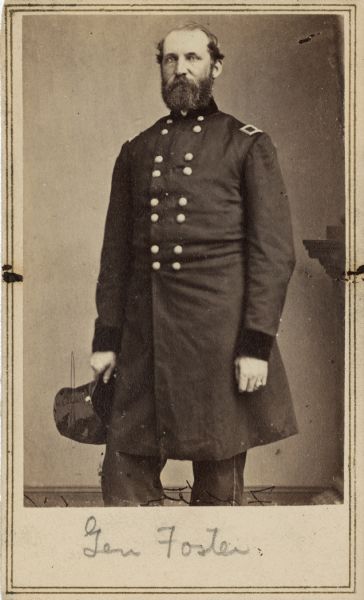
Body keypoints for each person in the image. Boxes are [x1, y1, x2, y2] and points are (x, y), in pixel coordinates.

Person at [90, 23, 298, 507]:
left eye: (193, 58)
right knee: (122, 478)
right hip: (145, 340)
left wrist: (256, 344)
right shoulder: (136, 150)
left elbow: (273, 253)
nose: (180, 69)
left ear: (215, 67)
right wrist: (106, 338)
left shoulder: (246, 144)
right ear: (161, 68)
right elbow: (115, 256)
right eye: (170, 60)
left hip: (218, 340)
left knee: (218, 484)